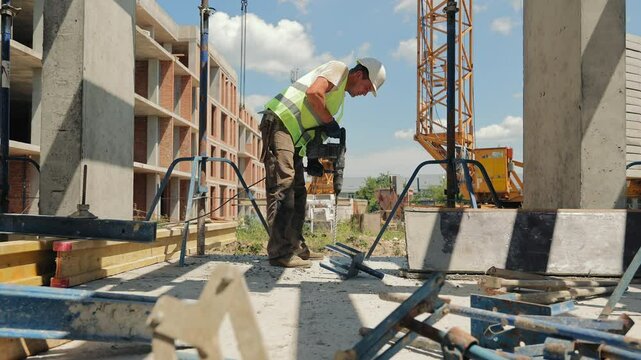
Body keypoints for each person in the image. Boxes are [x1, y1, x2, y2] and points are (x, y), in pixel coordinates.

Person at [259, 58, 386, 268]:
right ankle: (279, 252)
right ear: (359, 75)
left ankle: (296, 246)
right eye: (367, 88)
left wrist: (313, 159)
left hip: (295, 138)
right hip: (280, 123)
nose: (365, 93)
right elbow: (313, 94)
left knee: (299, 191)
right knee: (284, 186)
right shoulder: (339, 69)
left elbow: (315, 125)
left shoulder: (337, 101)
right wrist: (330, 122)